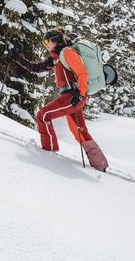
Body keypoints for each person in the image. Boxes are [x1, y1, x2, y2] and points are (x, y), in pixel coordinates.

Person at [14, 29, 109, 171]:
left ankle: (48, 152)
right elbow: (35, 68)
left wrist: (80, 94)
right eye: (44, 42)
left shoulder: (67, 52)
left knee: (43, 115)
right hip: (71, 96)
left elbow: (82, 73)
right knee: (79, 130)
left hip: (73, 95)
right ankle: (100, 164)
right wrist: (18, 57)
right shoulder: (57, 58)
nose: (45, 44)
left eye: (47, 41)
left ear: (56, 40)